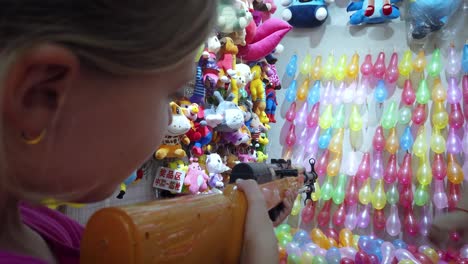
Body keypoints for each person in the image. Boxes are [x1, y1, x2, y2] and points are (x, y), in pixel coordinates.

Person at [0, 1, 297, 263]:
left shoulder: (39, 226)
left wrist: (238, 236)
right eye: (169, 95)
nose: (171, 115)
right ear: (41, 96)